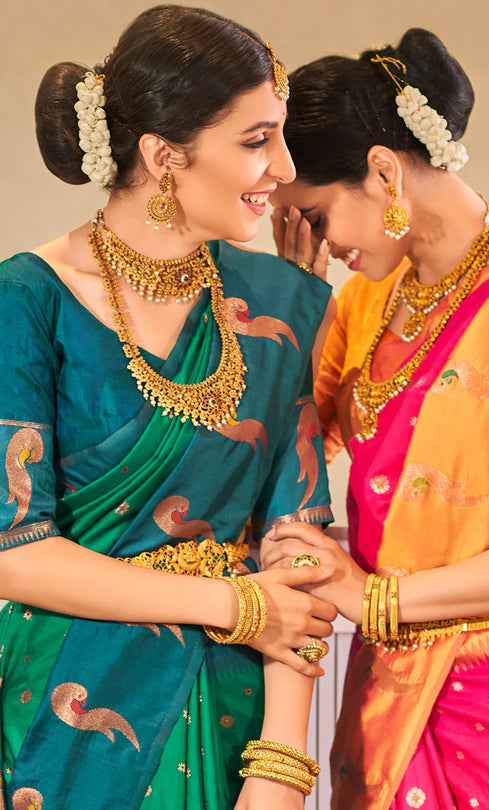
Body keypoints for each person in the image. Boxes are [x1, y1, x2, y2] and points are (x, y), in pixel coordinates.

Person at [0, 6, 339, 809]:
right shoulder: (27, 300)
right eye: (256, 141)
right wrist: (233, 602)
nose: (284, 169)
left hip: (233, 712)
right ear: (163, 156)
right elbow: (14, 547)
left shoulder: (284, 302)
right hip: (59, 713)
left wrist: (280, 767)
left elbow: (299, 540)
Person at [264, 27, 489, 809]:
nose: (310, 241)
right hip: (384, 698)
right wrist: (295, 306)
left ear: (383, 172)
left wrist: (377, 600)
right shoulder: (363, 301)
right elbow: (282, 454)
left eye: (312, 214)